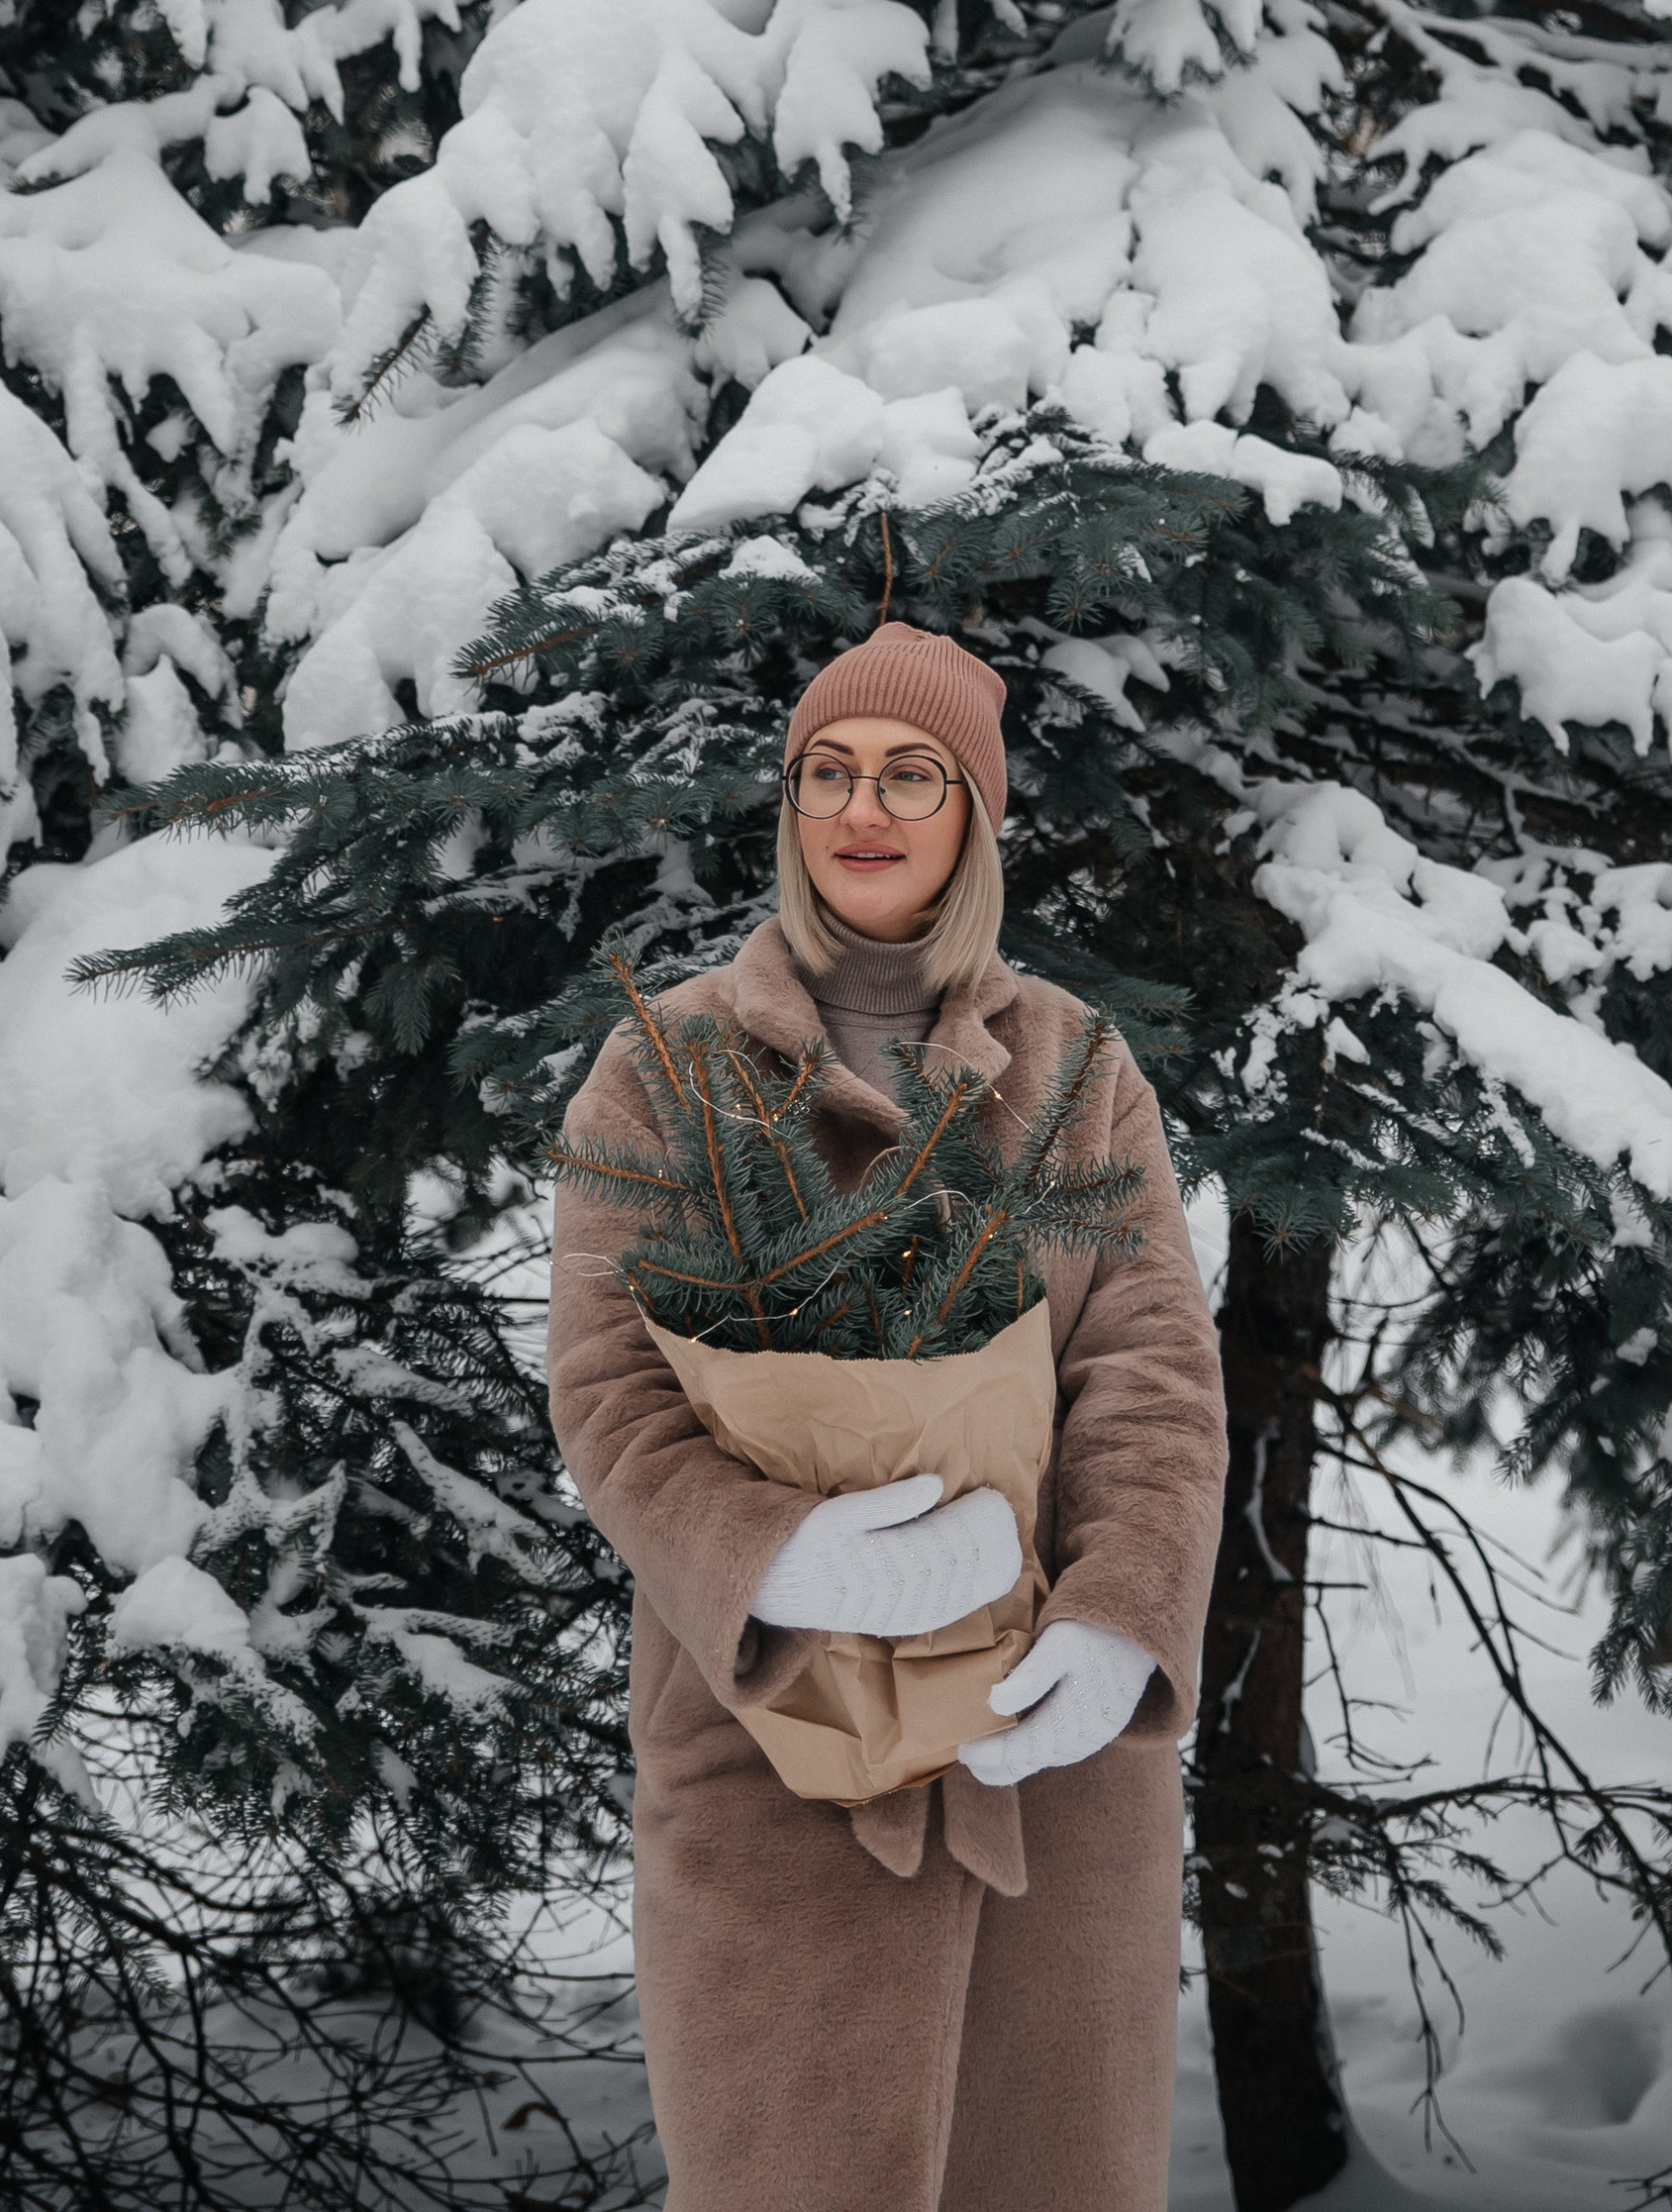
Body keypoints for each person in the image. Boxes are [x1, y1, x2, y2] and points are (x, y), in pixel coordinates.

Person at [547, 618, 1227, 2212]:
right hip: (771, 1758)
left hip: (1050, 1760)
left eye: (913, 775)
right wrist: (776, 1560)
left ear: (974, 815)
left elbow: (1150, 1364)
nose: (865, 808)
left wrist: (1127, 1618)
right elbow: (606, 1385)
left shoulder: (1076, 1063)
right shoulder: (666, 1068)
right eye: (830, 773)